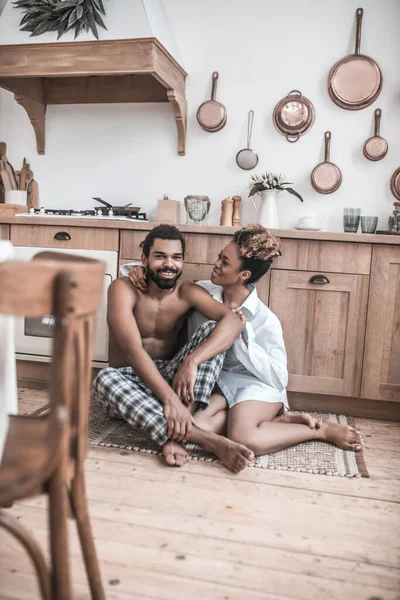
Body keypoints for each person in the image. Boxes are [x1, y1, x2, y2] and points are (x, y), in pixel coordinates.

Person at [127, 224, 363, 458]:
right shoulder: (202, 293)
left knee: (245, 438)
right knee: (194, 428)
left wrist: (242, 339)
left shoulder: (265, 320)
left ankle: (319, 432)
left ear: (244, 275)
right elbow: (165, 281)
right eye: (220, 257)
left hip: (255, 385)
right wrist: (140, 270)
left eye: (225, 262)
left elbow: (278, 377)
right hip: (219, 384)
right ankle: (276, 420)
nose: (216, 264)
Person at [91, 224, 254, 473]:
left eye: (176, 257)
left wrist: (192, 362)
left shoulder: (187, 292)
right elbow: (133, 350)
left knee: (214, 327)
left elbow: (233, 320)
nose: (169, 264)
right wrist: (170, 400)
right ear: (144, 259)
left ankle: (178, 427)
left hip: (171, 377)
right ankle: (204, 439)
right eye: (160, 256)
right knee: (104, 378)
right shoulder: (122, 289)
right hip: (129, 380)